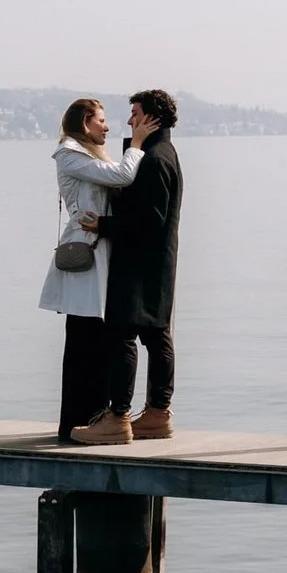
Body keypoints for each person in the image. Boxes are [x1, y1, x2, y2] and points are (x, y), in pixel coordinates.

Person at [71, 89, 182, 445]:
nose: (130, 119)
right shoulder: (162, 153)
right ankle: (156, 414)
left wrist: (102, 225)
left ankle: (118, 417)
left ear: (152, 119)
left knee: (122, 335)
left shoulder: (153, 159)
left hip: (138, 262)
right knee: (156, 333)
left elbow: (148, 219)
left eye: (135, 113)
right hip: (157, 261)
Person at [42, 97, 143, 441]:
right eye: (101, 120)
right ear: (85, 122)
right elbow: (123, 176)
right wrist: (139, 145)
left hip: (100, 255)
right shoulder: (70, 155)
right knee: (85, 339)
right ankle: (77, 421)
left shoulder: (88, 155)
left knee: (94, 339)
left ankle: (89, 418)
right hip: (86, 259)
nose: (108, 126)